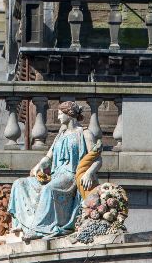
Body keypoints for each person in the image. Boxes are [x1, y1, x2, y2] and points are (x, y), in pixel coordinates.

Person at [7, 101, 100, 239]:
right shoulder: (60, 135)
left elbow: (97, 159)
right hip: (56, 175)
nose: (58, 117)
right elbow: (48, 157)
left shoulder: (85, 134)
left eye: (60, 114)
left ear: (70, 114)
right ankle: (24, 224)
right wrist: (39, 165)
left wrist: (89, 173)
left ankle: (39, 229)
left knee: (48, 189)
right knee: (20, 184)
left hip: (71, 176)